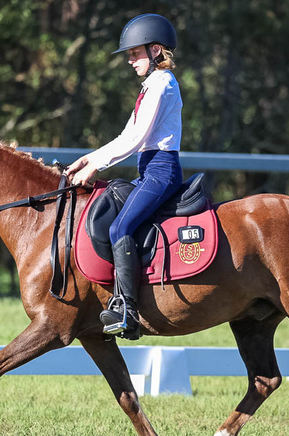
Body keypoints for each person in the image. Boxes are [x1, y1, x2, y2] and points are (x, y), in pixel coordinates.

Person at [67, 13, 183, 340]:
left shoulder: (163, 84)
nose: (130, 61)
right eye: (129, 55)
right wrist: (87, 159)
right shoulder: (151, 86)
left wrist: (95, 169)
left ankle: (128, 311)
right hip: (149, 171)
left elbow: (135, 141)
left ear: (156, 50)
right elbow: (124, 136)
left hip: (161, 172)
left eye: (134, 53)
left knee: (120, 227)